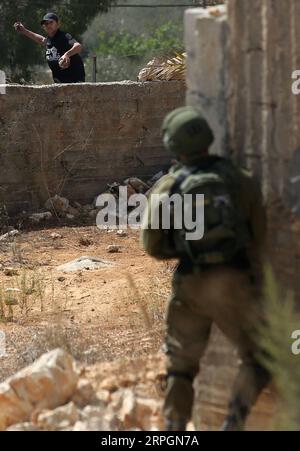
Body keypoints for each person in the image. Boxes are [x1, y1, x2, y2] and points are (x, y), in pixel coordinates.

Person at [141, 106, 270, 431]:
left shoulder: (168, 187)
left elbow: (152, 247)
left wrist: (184, 247)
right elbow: (258, 234)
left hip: (191, 283)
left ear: (173, 145)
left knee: (181, 366)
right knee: (259, 357)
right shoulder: (239, 179)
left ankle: (173, 427)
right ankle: (234, 422)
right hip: (235, 281)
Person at [13, 12, 85, 84]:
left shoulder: (64, 36)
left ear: (58, 24)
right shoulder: (49, 40)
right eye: (46, 23)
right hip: (60, 83)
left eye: (51, 22)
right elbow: (41, 39)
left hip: (75, 81)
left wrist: (66, 54)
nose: (48, 25)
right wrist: (24, 31)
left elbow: (78, 46)